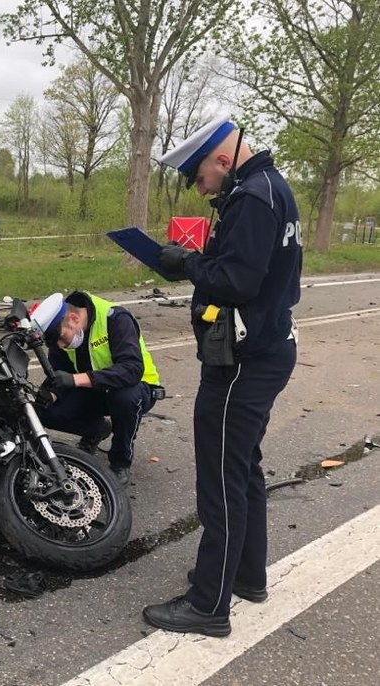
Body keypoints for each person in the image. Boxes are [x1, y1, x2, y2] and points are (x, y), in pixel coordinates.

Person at [142, 115, 302, 637]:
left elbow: (236, 281)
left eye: (198, 175)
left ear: (222, 158)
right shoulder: (270, 188)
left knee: (221, 480)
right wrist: (190, 262)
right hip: (266, 350)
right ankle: (247, 576)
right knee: (244, 467)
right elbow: (243, 266)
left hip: (242, 362)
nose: (197, 186)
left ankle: (209, 604)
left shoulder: (253, 197)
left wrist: (186, 263)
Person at [30, 290, 162, 486]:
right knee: (44, 412)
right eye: (53, 342)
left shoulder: (115, 318)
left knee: (125, 398)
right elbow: (60, 374)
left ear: (74, 318)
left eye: (60, 337)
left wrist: (77, 380)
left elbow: (131, 369)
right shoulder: (61, 336)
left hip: (137, 387)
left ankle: (120, 462)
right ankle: (97, 430)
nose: (59, 344)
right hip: (96, 389)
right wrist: (49, 395)